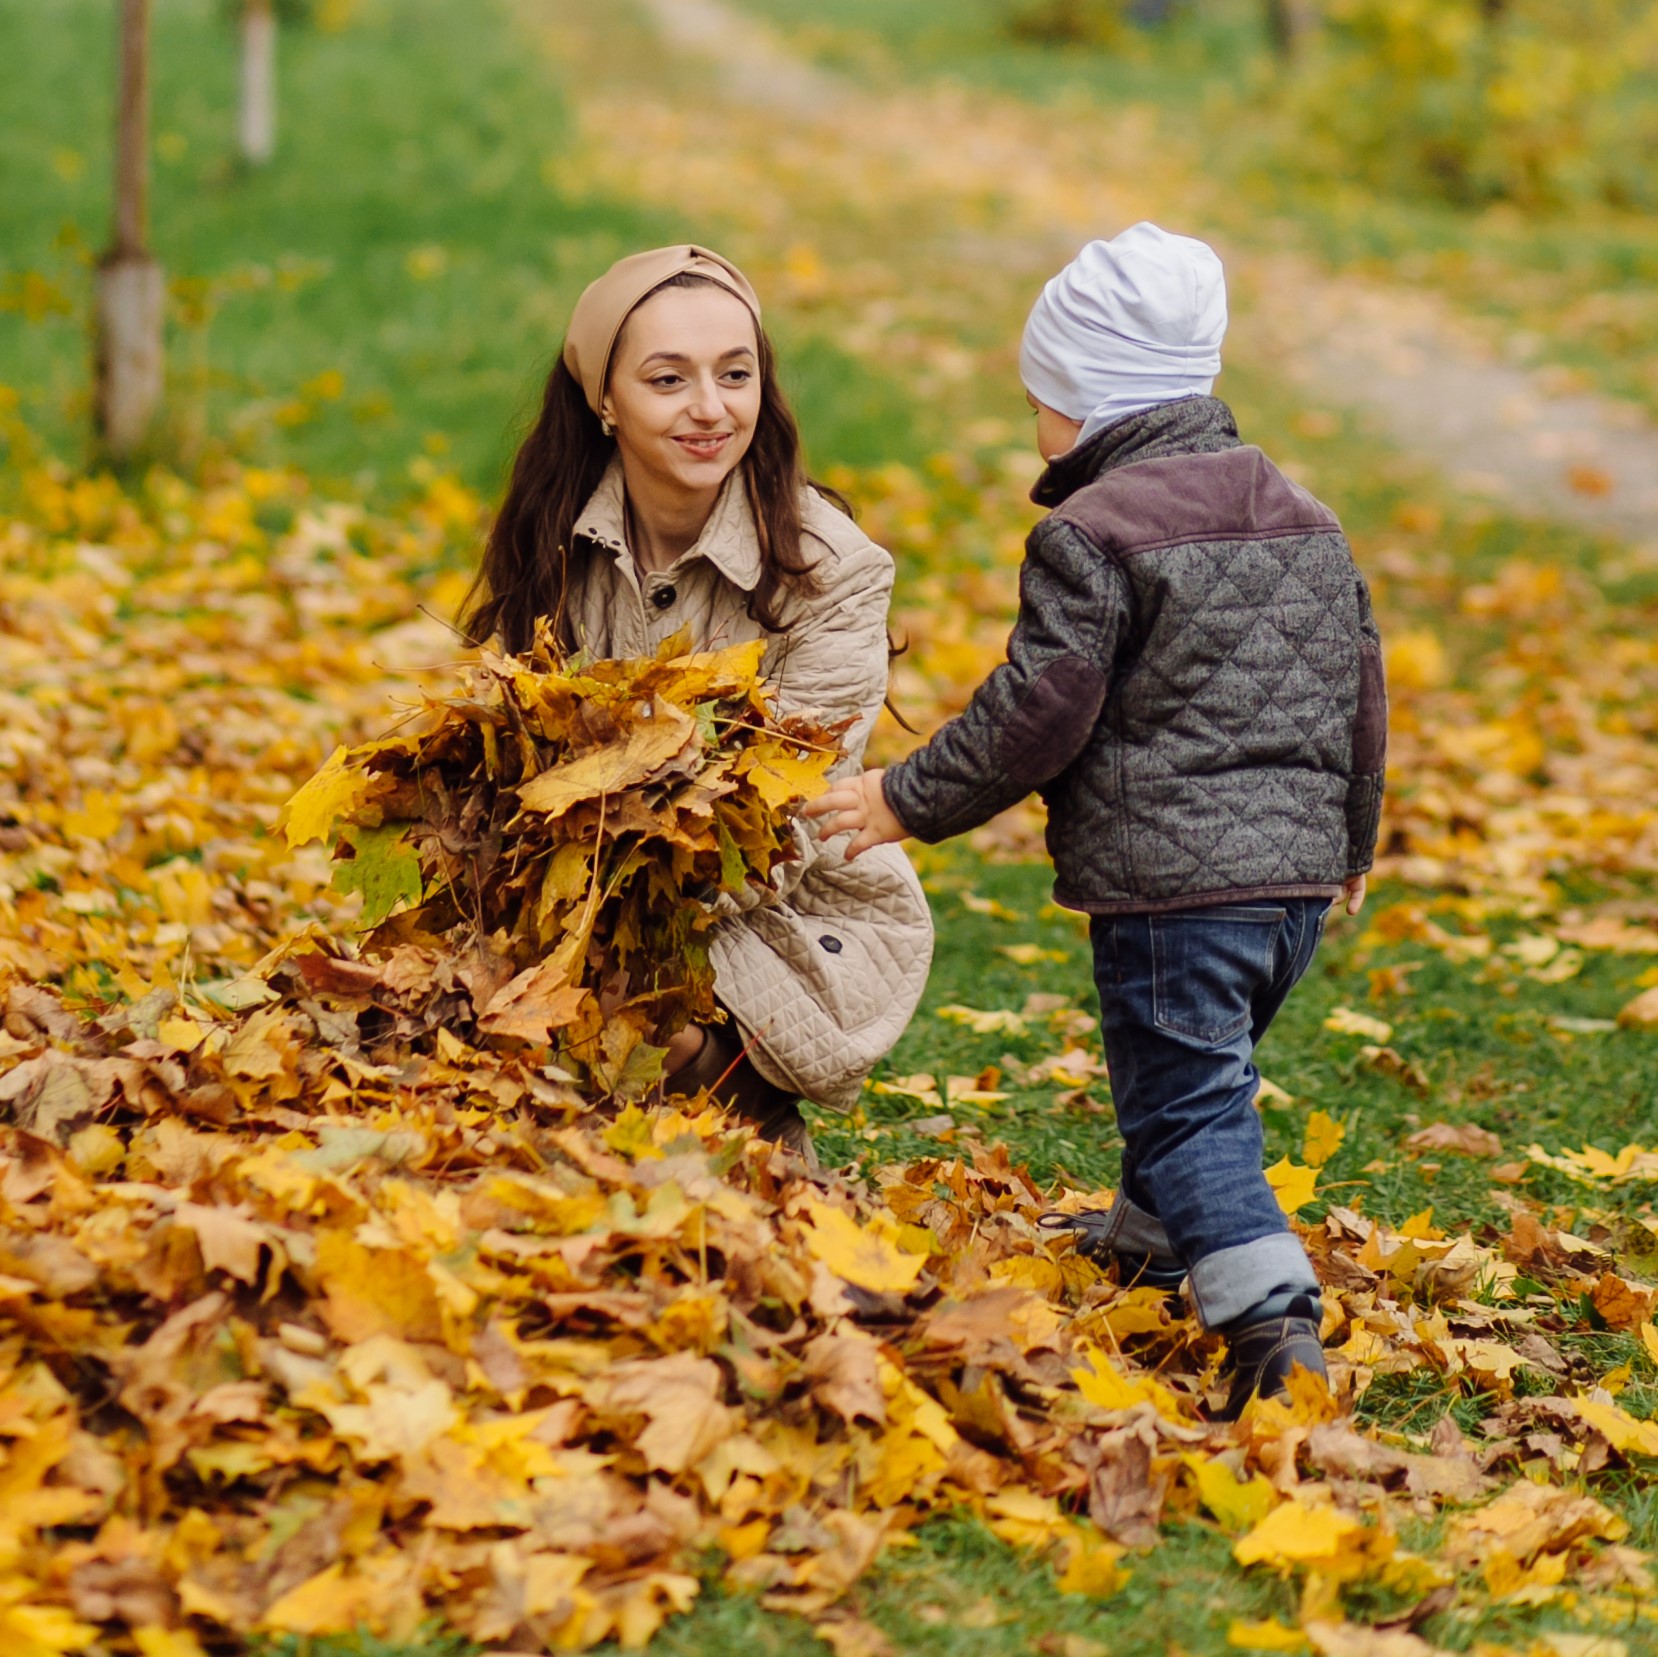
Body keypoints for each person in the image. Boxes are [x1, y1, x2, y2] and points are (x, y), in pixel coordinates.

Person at [807, 223, 1387, 1415]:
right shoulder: (1305, 513)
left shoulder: (1091, 531)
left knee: (1182, 1101)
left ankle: (1271, 1326)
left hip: (1172, 890)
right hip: (1291, 887)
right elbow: (1357, 681)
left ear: (1077, 401)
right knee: (1197, 1080)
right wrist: (1352, 841)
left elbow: (1040, 709)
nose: (1035, 430)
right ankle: (1148, 1232)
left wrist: (902, 798)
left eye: (1038, 402)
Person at [466, 245, 933, 1163]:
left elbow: (789, 812)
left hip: (777, 893)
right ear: (606, 399)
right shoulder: (554, 535)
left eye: (735, 374)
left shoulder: (831, 571)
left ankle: (735, 1097)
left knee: (627, 1018)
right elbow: (514, 756)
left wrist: (610, 932)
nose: (711, 409)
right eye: (667, 379)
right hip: (580, 881)